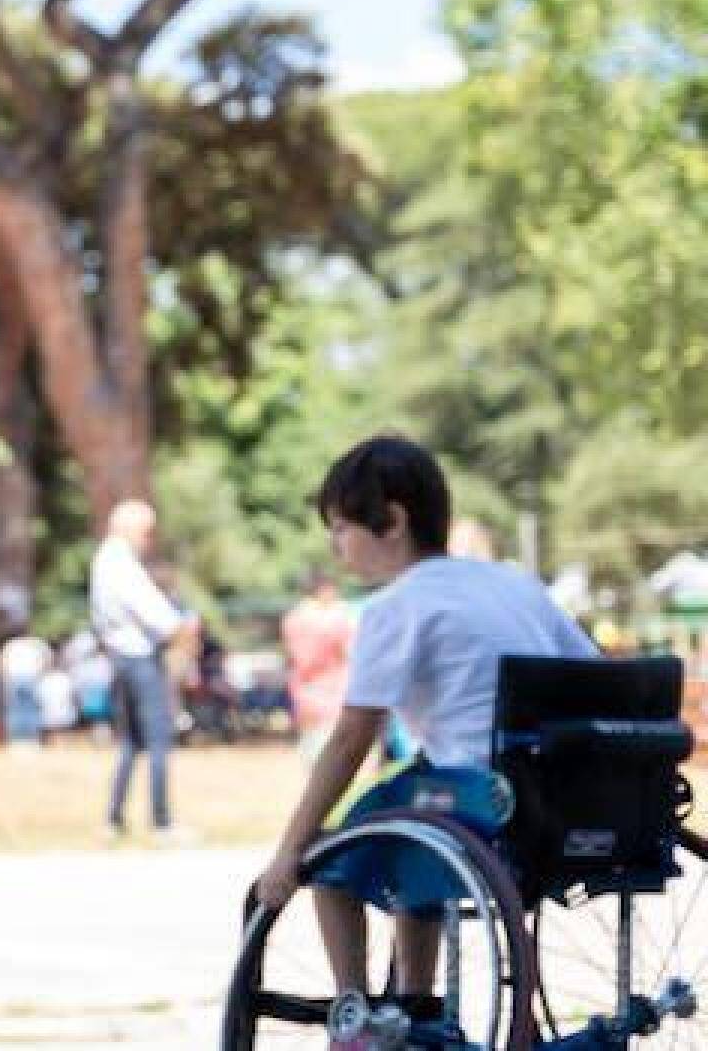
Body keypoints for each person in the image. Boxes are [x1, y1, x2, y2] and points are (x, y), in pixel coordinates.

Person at [253, 436, 594, 1046]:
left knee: (333, 859)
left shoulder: (394, 607)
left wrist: (290, 850)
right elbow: (593, 672)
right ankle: (414, 998)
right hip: (566, 793)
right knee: (416, 811)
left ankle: (356, 1017)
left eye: (341, 527)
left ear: (391, 518)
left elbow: (353, 736)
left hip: (483, 800)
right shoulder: (513, 584)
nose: (336, 546)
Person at [89, 500, 198, 843]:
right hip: (139, 658)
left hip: (121, 658)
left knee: (131, 743)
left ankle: (114, 818)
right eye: (147, 532)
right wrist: (183, 629)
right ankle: (162, 822)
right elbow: (157, 615)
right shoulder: (121, 563)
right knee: (158, 741)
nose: (149, 540)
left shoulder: (104, 560)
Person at [280, 569, 354, 764]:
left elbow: (292, 656)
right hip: (333, 691)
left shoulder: (294, 617)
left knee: (311, 747)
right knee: (335, 752)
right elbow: (347, 651)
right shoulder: (335, 618)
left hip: (304, 690)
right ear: (325, 590)